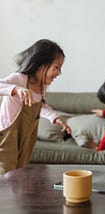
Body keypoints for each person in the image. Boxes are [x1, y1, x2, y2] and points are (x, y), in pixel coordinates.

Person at [0, 39, 71, 175]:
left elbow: (40, 106)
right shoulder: (20, 79)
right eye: (56, 67)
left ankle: (16, 196)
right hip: (7, 136)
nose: (58, 73)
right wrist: (15, 89)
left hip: (27, 137)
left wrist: (55, 118)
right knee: (5, 172)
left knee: (19, 172)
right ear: (40, 64)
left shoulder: (41, 86)